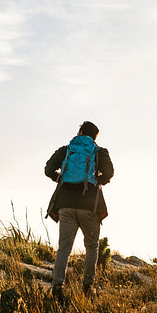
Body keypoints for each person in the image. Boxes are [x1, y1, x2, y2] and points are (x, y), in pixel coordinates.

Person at [45, 121, 114, 300]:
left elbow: (47, 170)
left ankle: (57, 287)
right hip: (90, 205)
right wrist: (98, 182)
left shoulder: (66, 149)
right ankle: (87, 287)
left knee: (64, 248)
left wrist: (60, 179)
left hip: (66, 205)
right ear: (94, 137)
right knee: (92, 247)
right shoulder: (99, 151)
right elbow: (109, 173)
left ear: (80, 132)